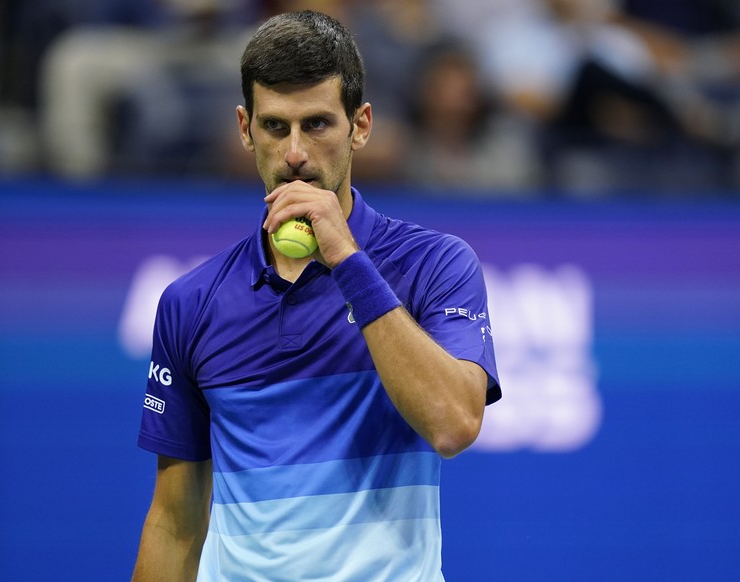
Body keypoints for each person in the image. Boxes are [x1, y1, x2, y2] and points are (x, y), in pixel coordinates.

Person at [132, 10, 501, 581]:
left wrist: (348, 260)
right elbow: (175, 523)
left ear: (361, 125)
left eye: (318, 125)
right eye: (276, 126)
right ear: (245, 128)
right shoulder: (190, 303)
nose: (296, 153)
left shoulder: (435, 265)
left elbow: (453, 424)